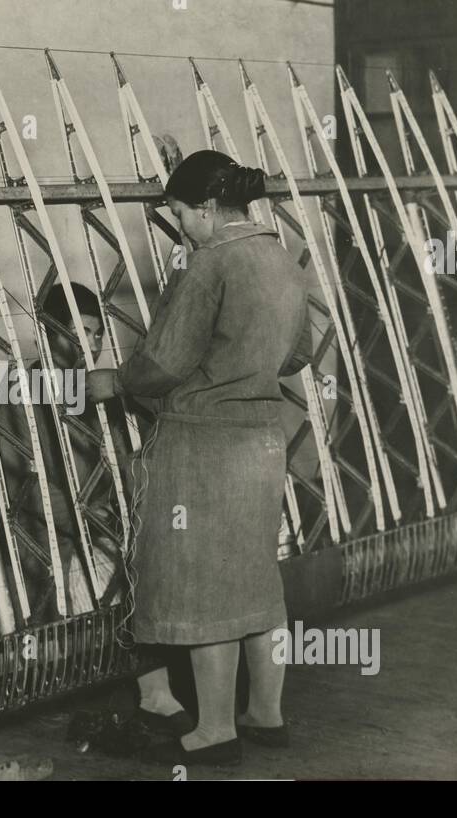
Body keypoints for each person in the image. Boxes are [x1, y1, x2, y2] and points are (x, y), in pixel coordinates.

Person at [86, 149, 312, 765]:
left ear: (209, 210)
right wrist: (246, 362)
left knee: (206, 589)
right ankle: (266, 714)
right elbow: (299, 354)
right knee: (257, 582)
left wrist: (113, 381)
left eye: (181, 214)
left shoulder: (209, 266)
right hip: (263, 439)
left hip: (203, 442)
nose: (179, 226)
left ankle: (214, 731)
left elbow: (163, 364)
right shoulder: (281, 257)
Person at [0, 282, 125, 619]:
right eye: (81, 332)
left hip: (103, 534)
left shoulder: (99, 389)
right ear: (48, 333)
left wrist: (112, 513)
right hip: (44, 546)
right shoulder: (17, 390)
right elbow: (24, 488)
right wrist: (88, 513)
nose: (92, 346)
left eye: (98, 335)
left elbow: (125, 465)